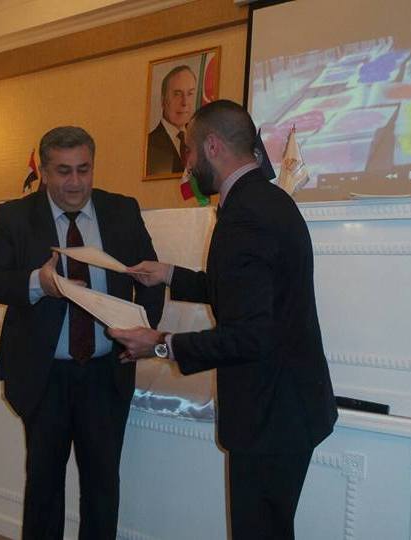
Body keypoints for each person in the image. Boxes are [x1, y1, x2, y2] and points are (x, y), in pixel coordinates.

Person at [111, 100, 338, 540]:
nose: (188, 164)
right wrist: (169, 274)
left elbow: (249, 335)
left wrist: (160, 343)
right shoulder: (270, 200)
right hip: (291, 407)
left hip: (269, 416)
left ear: (212, 146)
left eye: (190, 151)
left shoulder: (244, 218)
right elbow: (243, 292)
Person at [0, 126, 165, 540]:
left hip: (105, 372)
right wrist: (38, 283)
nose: (75, 182)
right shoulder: (14, 216)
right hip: (44, 375)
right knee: (43, 485)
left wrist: (143, 332)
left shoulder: (122, 211)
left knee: (102, 486)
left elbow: (151, 278)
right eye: (63, 171)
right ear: (45, 172)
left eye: (84, 169)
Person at [146, 65, 197, 176]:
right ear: (163, 100)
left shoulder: (200, 144)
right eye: (177, 94)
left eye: (190, 94)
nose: (185, 102)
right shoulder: (149, 144)